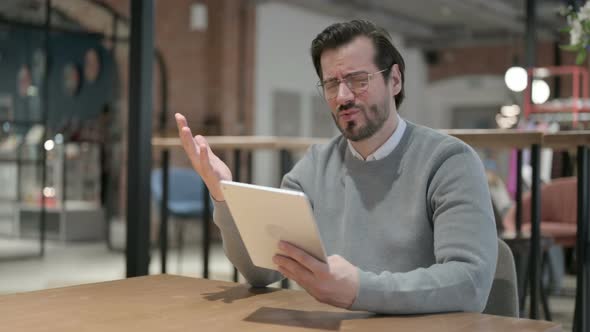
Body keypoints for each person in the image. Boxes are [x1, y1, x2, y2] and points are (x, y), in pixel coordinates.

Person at [174, 20, 497, 314]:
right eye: (331, 83)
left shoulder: (448, 162)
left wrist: (360, 290)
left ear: (394, 80)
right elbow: (263, 271)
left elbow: (469, 283)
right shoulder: (313, 167)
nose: (343, 96)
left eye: (358, 80)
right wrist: (223, 195)